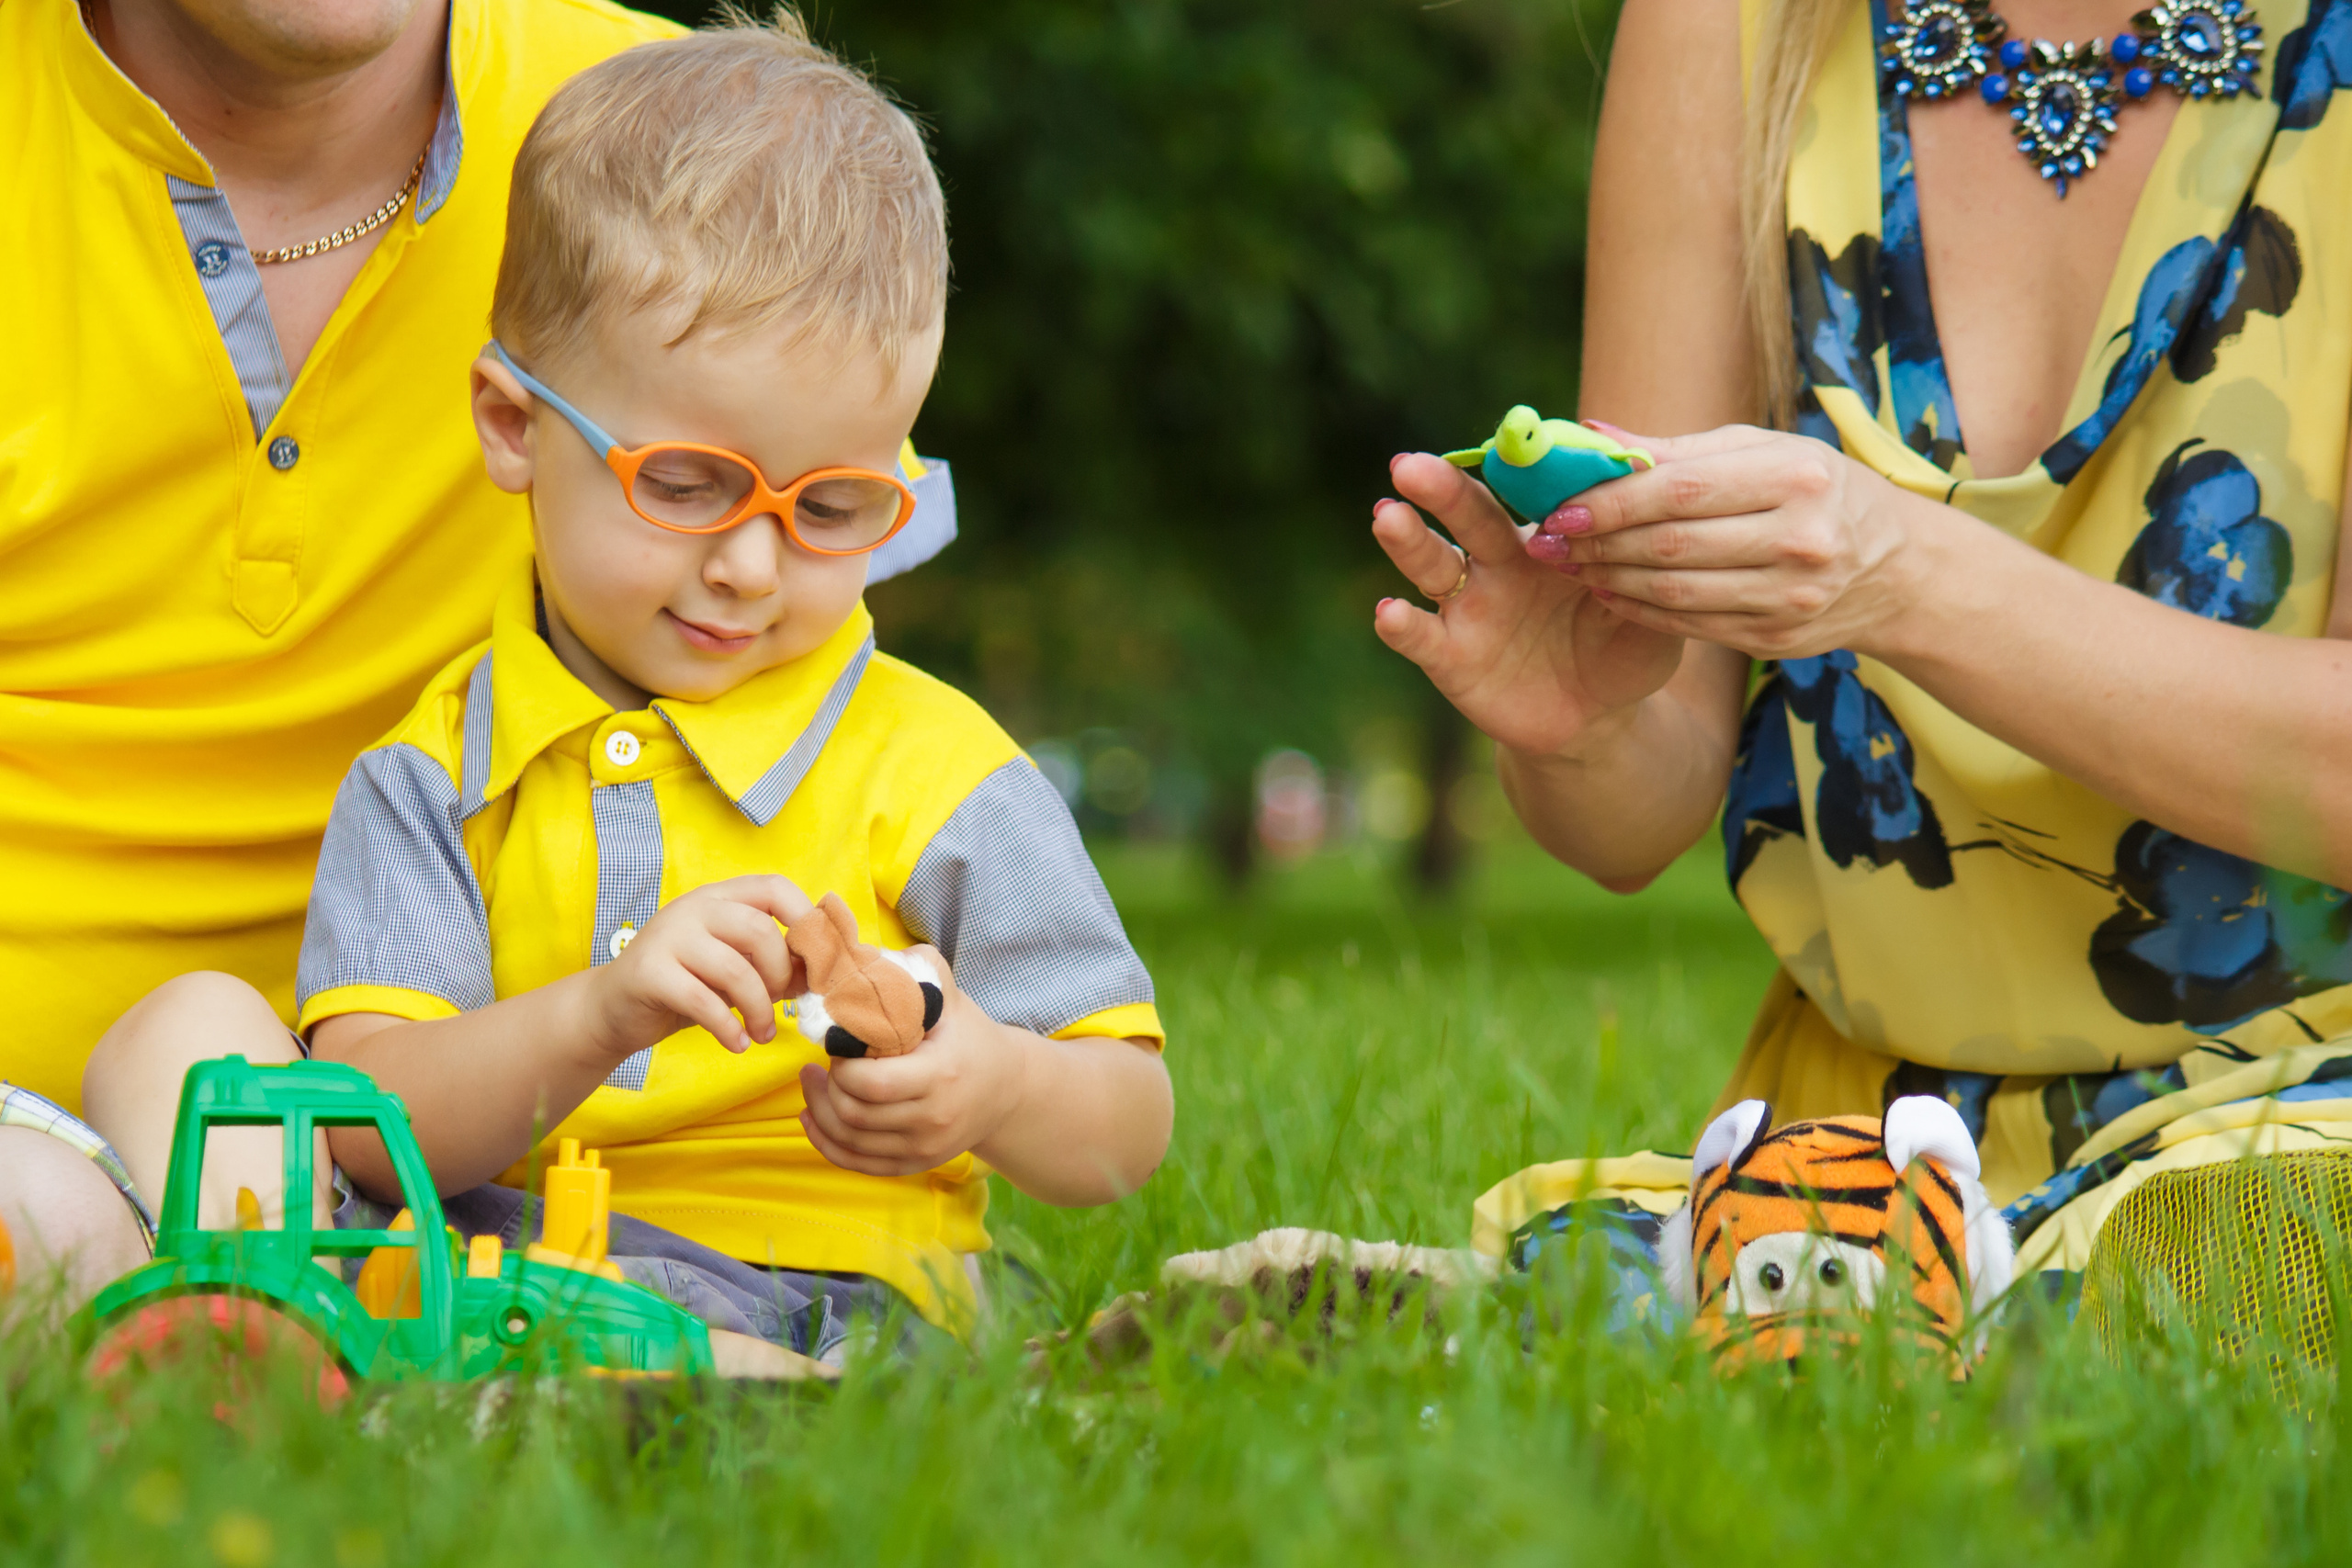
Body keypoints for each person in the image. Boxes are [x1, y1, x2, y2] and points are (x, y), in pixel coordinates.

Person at [82, 17, 1173, 1368]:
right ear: (514, 428)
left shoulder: (935, 769)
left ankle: (719, 1392)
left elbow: (1125, 1125)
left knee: (758, 1362)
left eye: (834, 508)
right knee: (183, 1031)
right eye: (687, 486)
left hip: (833, 1295)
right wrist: (602, 1014)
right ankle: (270, 1339)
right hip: (491, 1270)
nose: (750, 568)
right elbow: (368, 1122)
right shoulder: (440, 774)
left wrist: (993, 1081)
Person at [1375, 0, 2352, 1291]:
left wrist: (1904, 573)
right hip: (1862, 1162)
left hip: (2310, 1124)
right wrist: (1587, 727)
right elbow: (1630, 824)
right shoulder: (1727, 26)